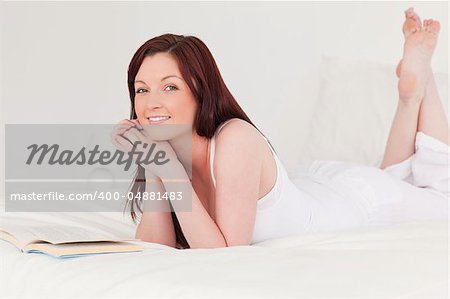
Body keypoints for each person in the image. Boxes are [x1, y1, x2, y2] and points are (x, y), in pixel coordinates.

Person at [112, 7, 448, 249]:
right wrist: (154, 166)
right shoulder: (172, 152)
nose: (150, 102)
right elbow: (154, 250)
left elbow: (223, 254)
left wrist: (169, 172)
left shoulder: (234, 139)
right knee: (394, 179)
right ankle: (412, 93)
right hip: (324, 186)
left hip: (356, 199)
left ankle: (421, 84)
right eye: (142, 89)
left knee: (441, 196)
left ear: (200, 90)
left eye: (169, 87)